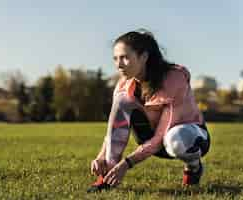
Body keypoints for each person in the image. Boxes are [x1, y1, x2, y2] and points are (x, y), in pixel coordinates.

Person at [87, 29, 210, 192]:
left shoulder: (174, 79)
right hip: (152, 140)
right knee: (123, 100)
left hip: (189, 138)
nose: (118, 64)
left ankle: (193, 167)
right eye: (115, 59)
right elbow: (114, 129)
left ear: (144, 57)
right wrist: (102, 157)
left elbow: (162, 134)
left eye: (125, 57)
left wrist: (127, 163)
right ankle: (107, 174)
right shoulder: (123, 85)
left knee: (176, 138)